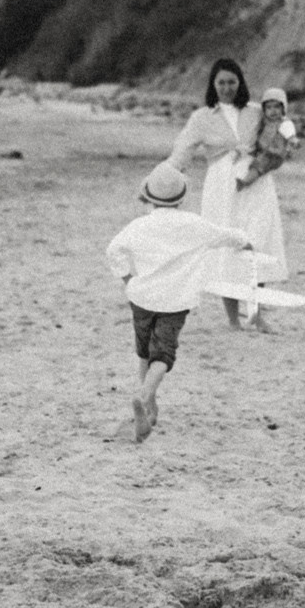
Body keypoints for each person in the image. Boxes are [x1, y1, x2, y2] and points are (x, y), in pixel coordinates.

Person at [106, 161, 255, 443]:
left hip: (142, 297)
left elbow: (113, 250)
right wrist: (244, 241)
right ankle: (144, 396)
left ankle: (149, 408)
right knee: (163, 354)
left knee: (144, 352)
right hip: (174, 301)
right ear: (182, 198)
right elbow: (225, 236)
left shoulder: (139, 226)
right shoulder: (194, 224)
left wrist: (127, 278)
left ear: (148, 196)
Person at [170, 58, 290, 330]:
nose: (227, 88)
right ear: (213, 85)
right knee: (227, 244)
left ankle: (256, 313)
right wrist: (163, 178)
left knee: (258, 242)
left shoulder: (255, 111)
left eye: (232, 82)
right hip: (221, 185)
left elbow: (278, 125)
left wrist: (283, 144)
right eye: (221, 82)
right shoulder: (202, 117)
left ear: (240, 83)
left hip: (256, 182)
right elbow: (182, 151)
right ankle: (233, 318)